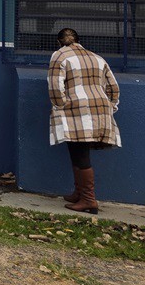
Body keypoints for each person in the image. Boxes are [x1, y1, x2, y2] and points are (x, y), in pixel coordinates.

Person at [48, 28, 120, 214]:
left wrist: (61, 105)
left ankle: (89, 199)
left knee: (79, 151)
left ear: (58, 41)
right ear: (79, 41)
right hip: (101, 107)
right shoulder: (96, 57)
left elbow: (55, 86)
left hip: (76, 108)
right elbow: (113, 87)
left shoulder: (59, 56)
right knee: (77, 148)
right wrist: (111, 106)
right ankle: (79, 193)